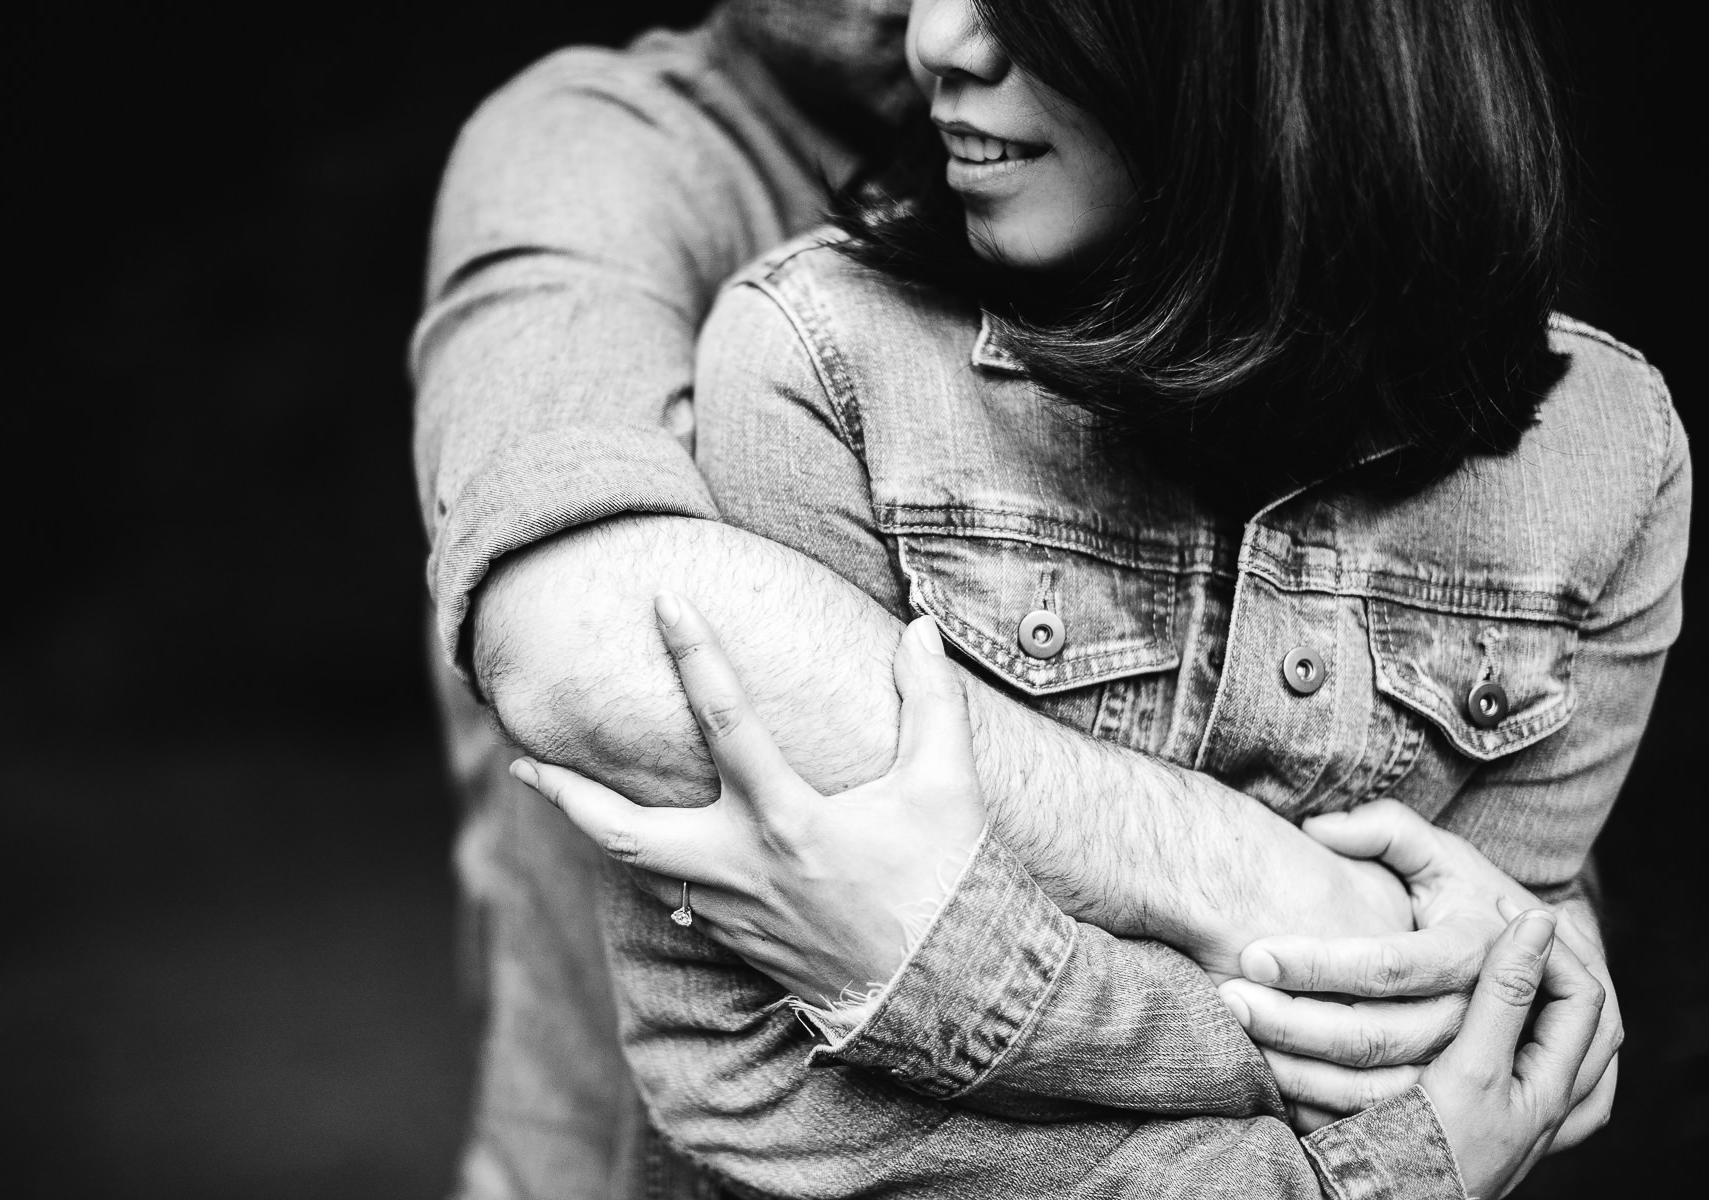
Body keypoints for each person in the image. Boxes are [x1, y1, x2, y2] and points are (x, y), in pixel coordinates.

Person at [502, 0, 1687, 1196]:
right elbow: (751, 1081)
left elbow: (1474, 1053)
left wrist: (926, 969)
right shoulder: (824, 358)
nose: (937, 41)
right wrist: (1353, 1172)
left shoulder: (1607, 458)